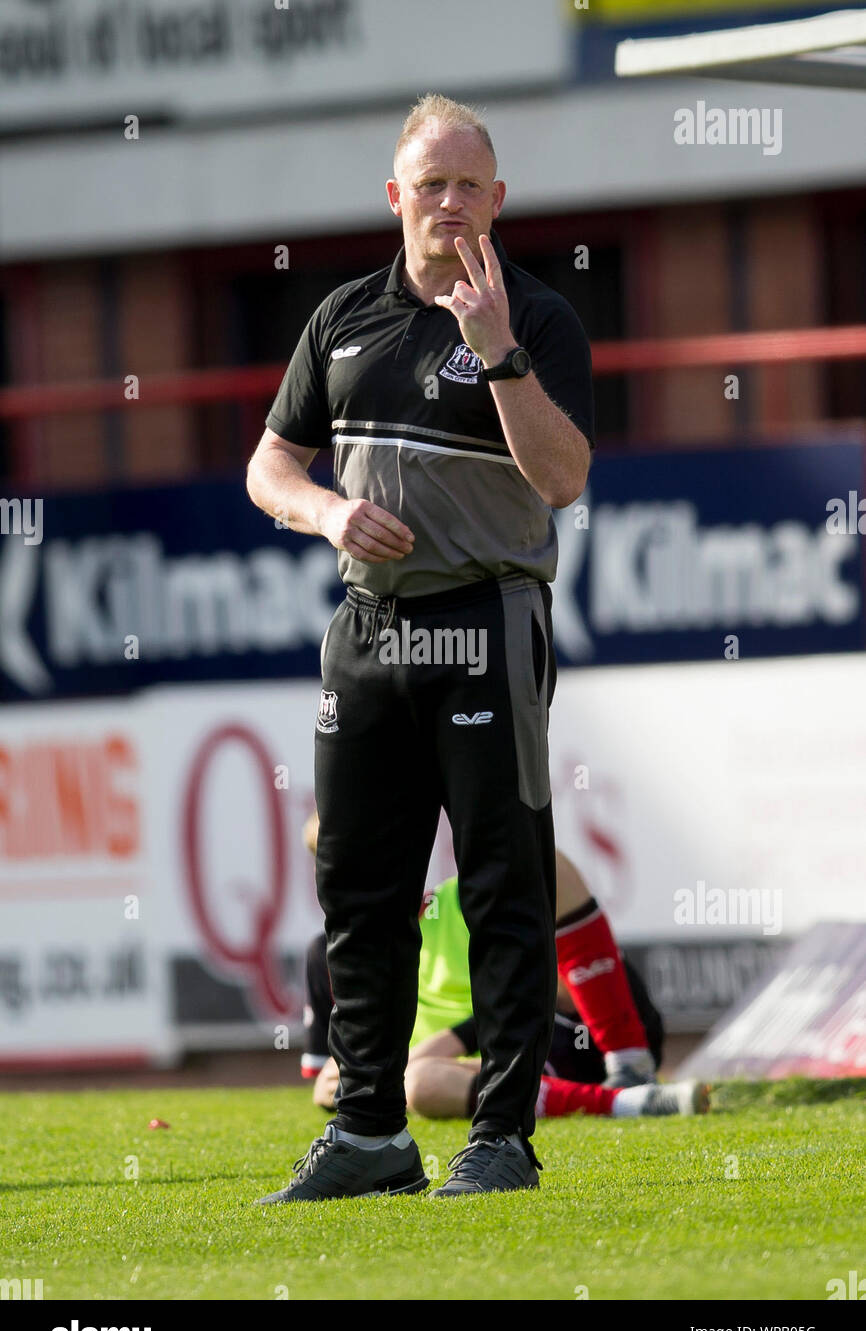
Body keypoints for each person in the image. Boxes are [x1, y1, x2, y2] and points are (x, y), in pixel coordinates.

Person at [247, 92, 594, 1202]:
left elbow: (562, 479)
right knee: (357, 885)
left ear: (498, 199)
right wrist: (326, 514)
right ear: (394, 196)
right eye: (428, 184)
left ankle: (499, 1134)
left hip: (485, 617)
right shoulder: (341, 316)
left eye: (468, 184)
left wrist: (494, 354)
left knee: (500, 882)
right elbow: (268, 467)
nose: (448, 203)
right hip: (364, 626)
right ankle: (368, 1135)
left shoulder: (537, 319)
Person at [301, 815, 709, 1127]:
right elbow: (329, 1080)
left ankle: (631, 1069)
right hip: (473, 1078)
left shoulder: (460, 901)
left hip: (560, 1040)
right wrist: (341, 1084)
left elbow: (561, 990)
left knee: (540, 856)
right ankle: (629, 1104)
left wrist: (453, 1039)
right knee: (420, 1085)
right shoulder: (331, 954)